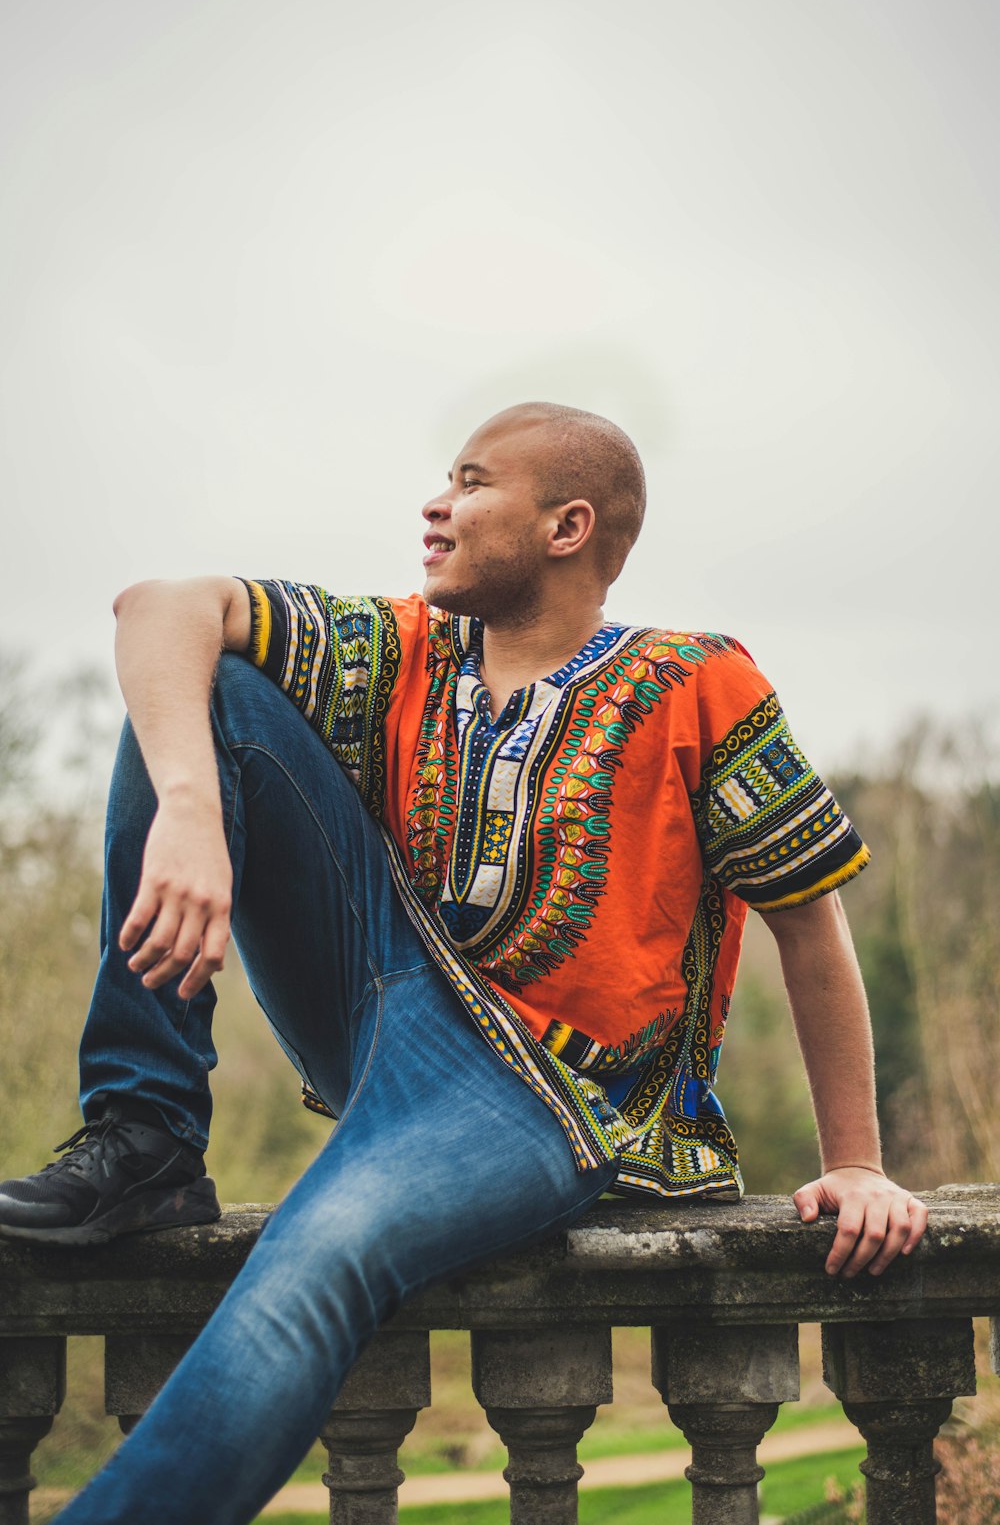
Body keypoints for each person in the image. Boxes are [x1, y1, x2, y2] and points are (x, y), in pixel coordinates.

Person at [0, 402, 927, 1524]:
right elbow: (157, 608)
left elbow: (809, 927)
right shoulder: (405, 649)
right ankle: (146, 1135)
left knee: (317, 1261)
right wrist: (190, 808)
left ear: (565, 525)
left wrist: (860, 1163)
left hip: (543, 1096)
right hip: (376, 994)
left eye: (472, 482)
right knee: (208, 691)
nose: (435, 504)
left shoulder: (696, 681)